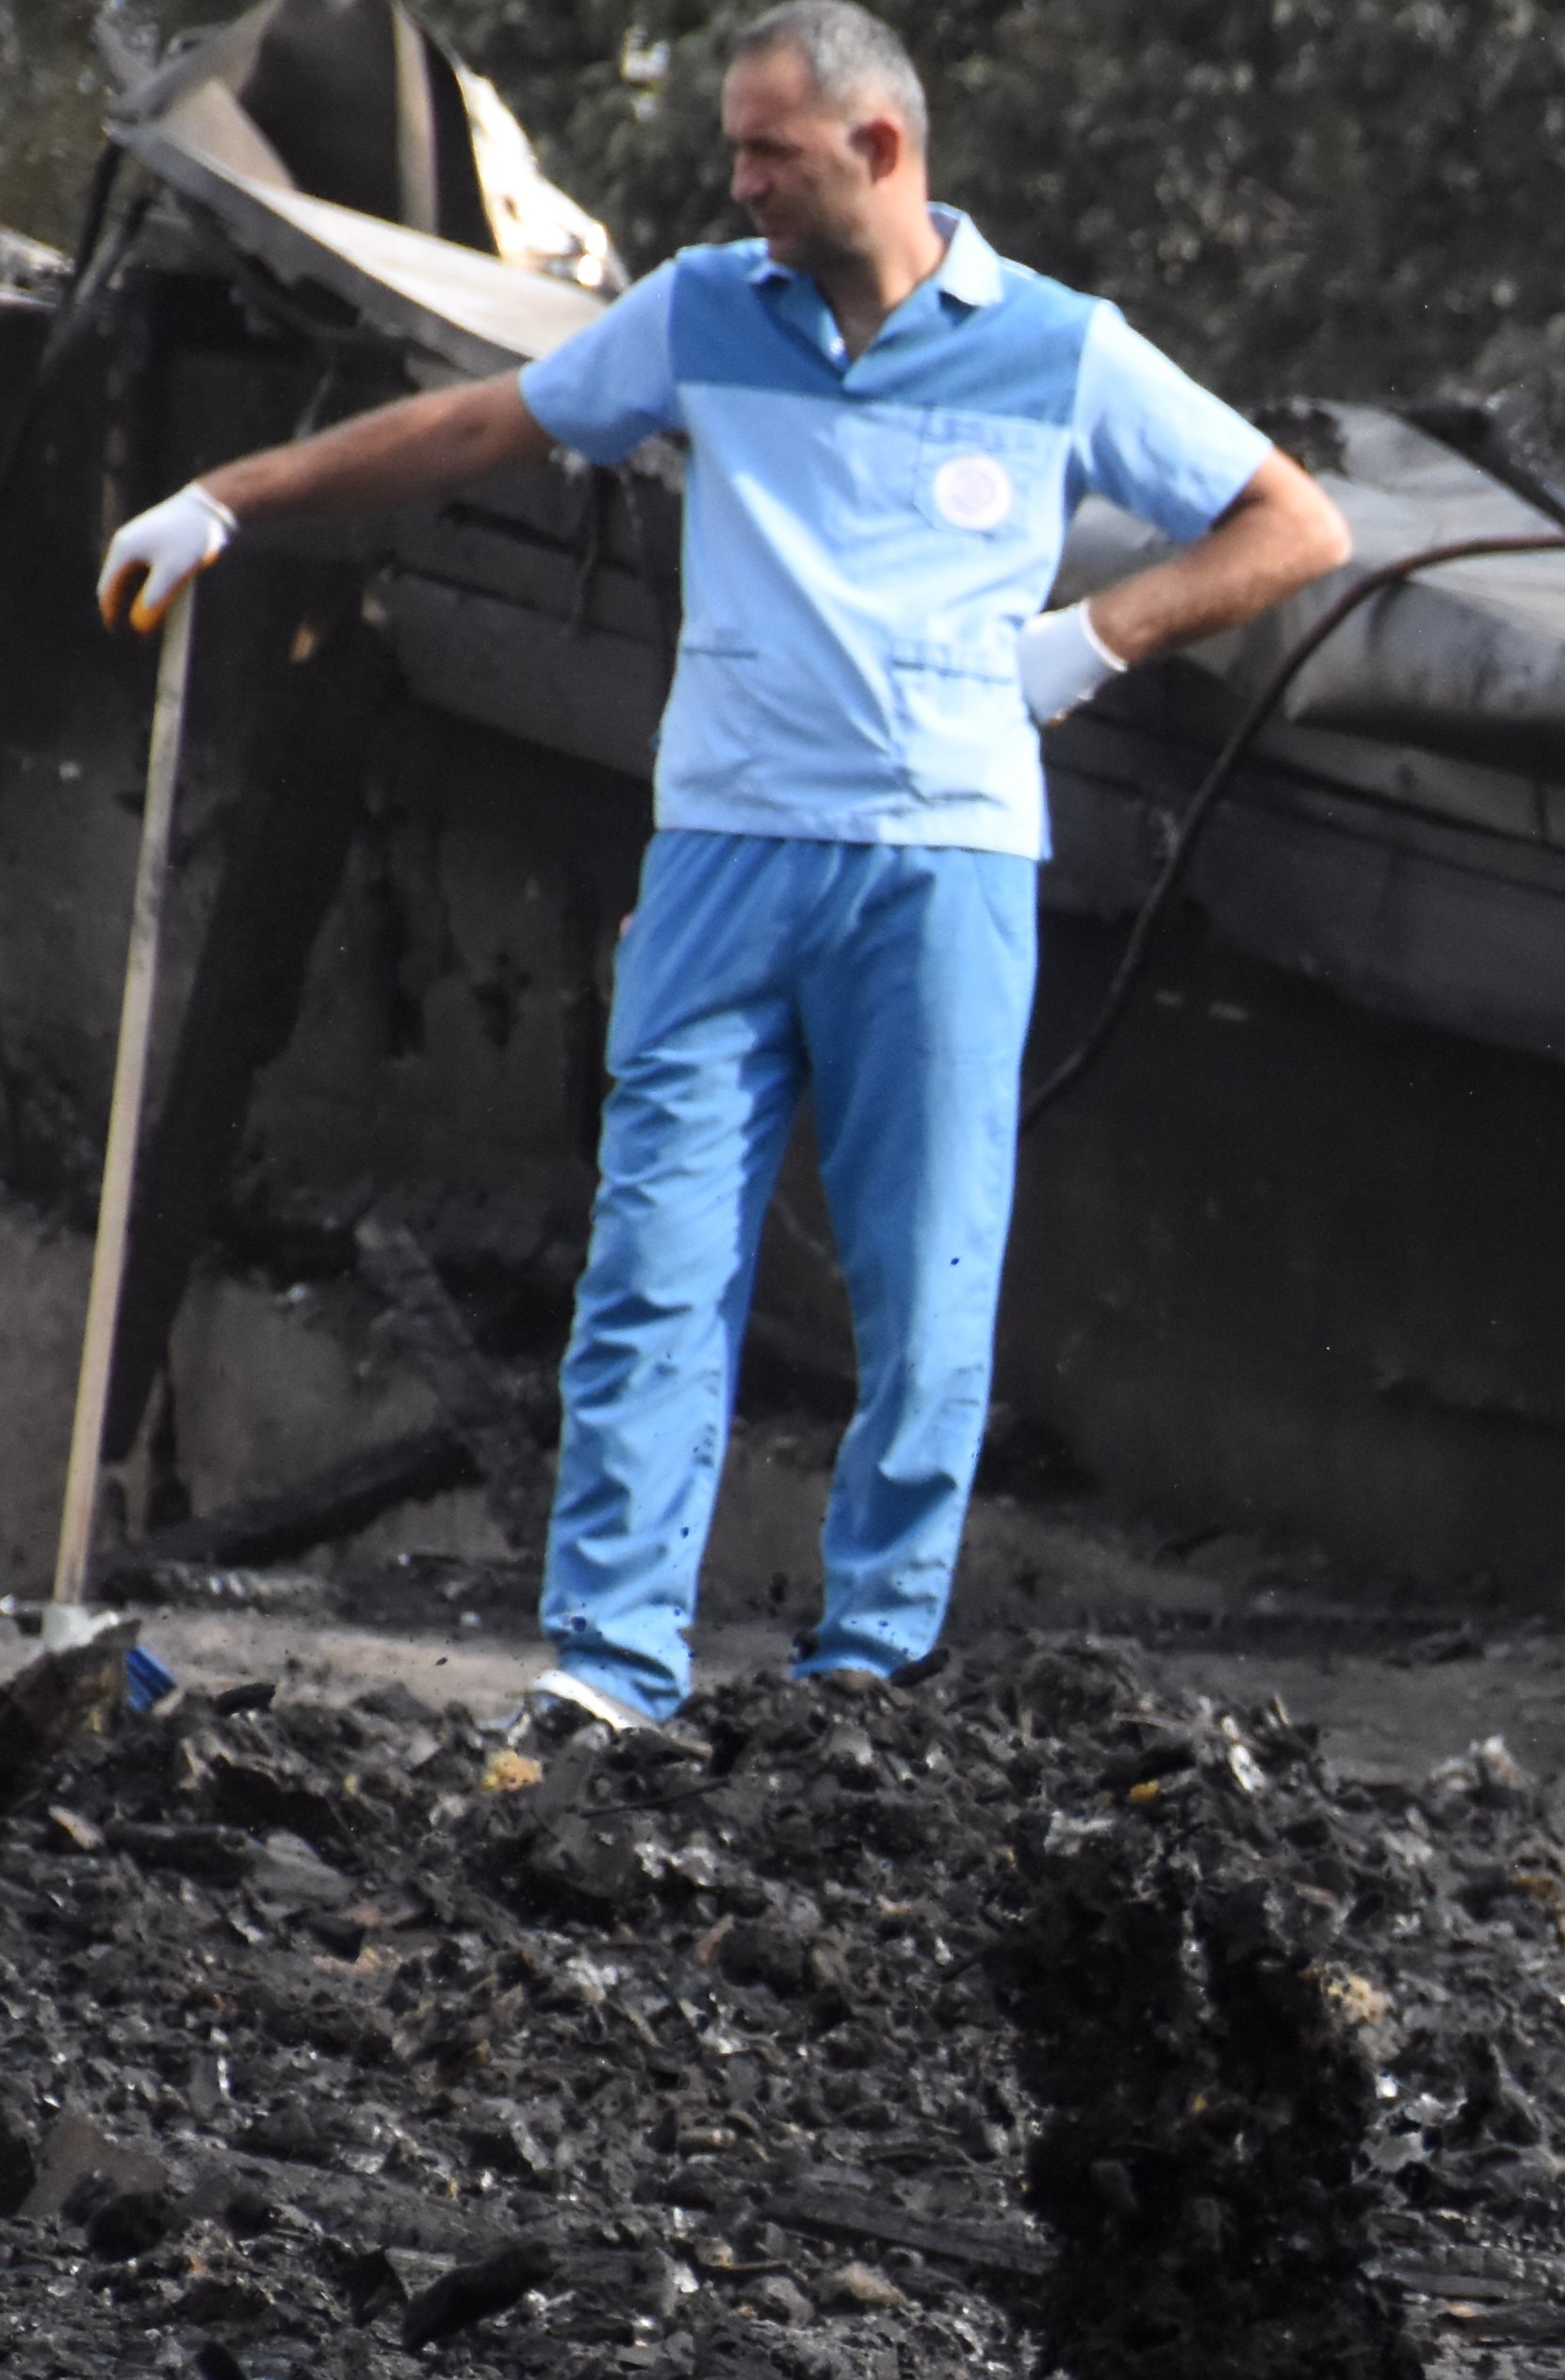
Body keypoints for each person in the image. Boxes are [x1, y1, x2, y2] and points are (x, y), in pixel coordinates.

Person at [91, 1, 1345, 1733]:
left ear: (880, 150)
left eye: (769, 150)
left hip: (940, 864)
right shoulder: (701, 311)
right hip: (723, 860)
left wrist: (1097, 638)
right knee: (656, 1259)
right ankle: (611, 1661)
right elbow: (484, 427)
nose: (738, 180)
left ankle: (867, 1663)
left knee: (927, 1282)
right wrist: (236, 494)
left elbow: (1300, 523)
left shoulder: (1061, 348)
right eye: (736, 149)